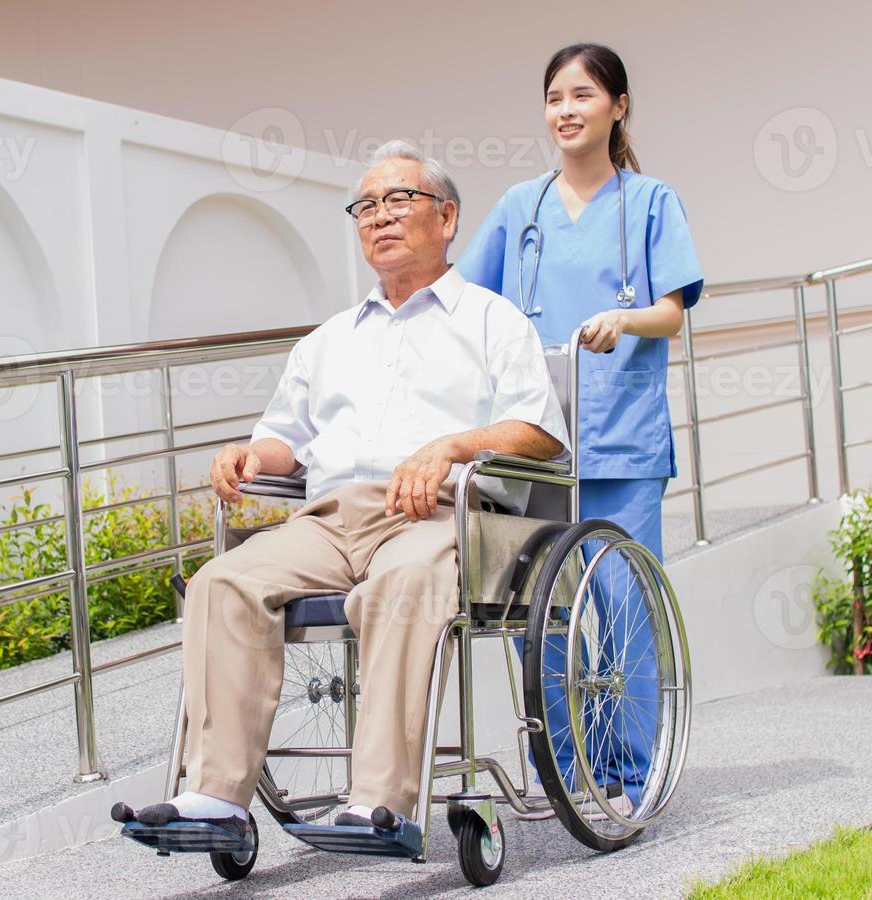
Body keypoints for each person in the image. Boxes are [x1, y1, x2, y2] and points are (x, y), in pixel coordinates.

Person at [112, 141, 569, 838]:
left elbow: (539, 434)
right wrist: (247, 453)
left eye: (399, 200)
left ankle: (379, 803)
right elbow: (285, 442)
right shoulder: (328, 340)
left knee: (404, 581)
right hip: (327, 521)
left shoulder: (491, 320)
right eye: (366, 206)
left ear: (446, 218)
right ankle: (217, 798)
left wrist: (451, 446)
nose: (379, 217)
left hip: (438, 516)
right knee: (221, 581)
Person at [456, 43, 703, 811]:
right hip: (535, 447)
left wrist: (623, 319)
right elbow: (466, 303)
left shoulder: (652, 201)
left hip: (622, 442)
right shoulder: (518, 209)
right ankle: (562, 766)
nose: (566, 109)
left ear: (618, 106)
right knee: (544, 618)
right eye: (554, 96)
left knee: (623, 609)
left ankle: (631, 771)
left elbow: (673, 312)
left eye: (583, 94)